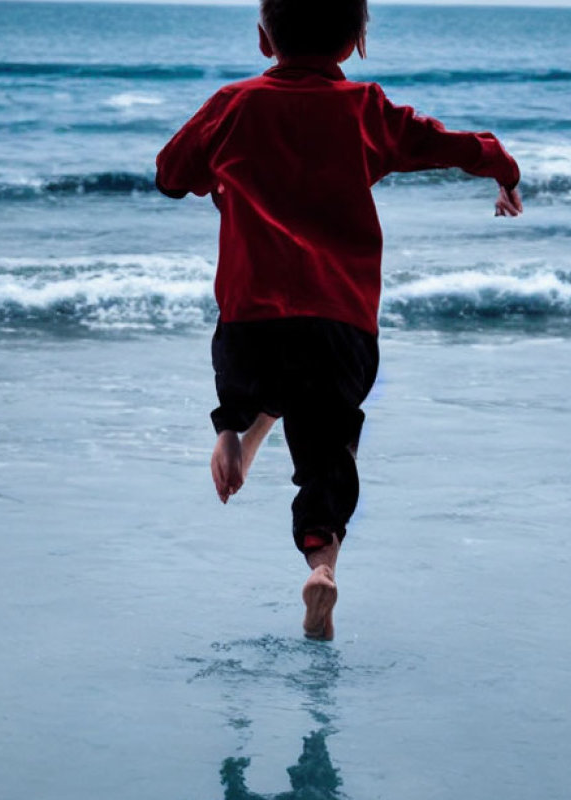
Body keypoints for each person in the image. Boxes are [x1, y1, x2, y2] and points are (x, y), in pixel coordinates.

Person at [155, 0, 522, 641]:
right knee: (329, 453)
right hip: (339, 322)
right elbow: (449, 145)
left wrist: (217, 180)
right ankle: (321, 567)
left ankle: (233, 429)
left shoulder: (232, 104)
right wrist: (503, 169)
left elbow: (168, 173)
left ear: (265, 39)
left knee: (263, 380)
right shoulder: (366, 110)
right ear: (356, 44)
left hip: (249, 325)